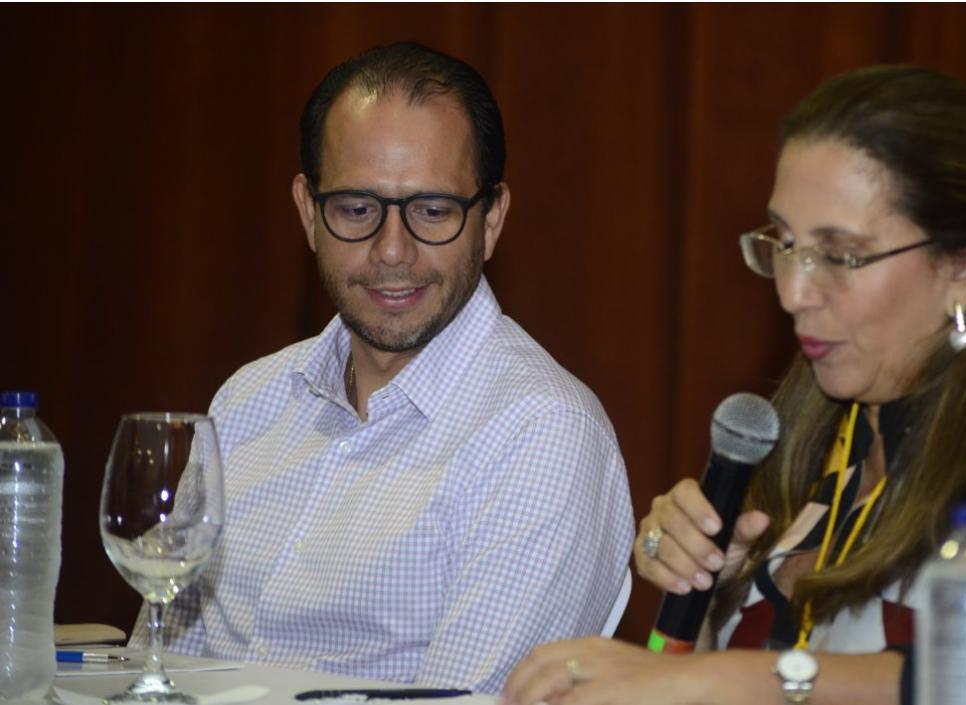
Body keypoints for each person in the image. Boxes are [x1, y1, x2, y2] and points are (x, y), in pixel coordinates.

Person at [504, 65, 966, 705]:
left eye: (841, 255)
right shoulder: (812, 422)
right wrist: (705, 582)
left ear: (965, 262)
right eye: (784, 244)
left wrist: (726, 678)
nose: (794, 292)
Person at [131, 42, 635, 693]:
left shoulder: (542, 434)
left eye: (432, 210)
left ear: (491, 220)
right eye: (356, 208)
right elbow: (150, 669)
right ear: (309, 213)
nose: (392, 251)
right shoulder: (246, 400)